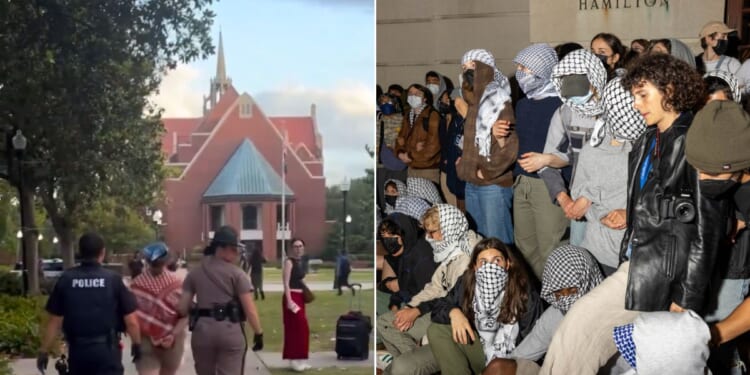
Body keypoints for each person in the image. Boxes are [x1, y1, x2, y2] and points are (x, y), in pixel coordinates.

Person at [539, 53, 726, 375]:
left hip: (670, 274)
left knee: (590, 334)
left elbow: (707, 229)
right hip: (637, 263)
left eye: (643, 95)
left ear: (668, 90)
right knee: (576, 335)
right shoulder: (645, 141)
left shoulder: (694, 141)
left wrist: (687, 297)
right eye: (633, 96)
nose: (636, 105)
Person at [427, 238, 543, 375]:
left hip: (515, 358)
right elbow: (439, 306)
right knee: (437, 329)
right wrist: (454, 312)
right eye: (483, 262)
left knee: (498, 366)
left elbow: (535, 339)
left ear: (508, 264)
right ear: (475, 267)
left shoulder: (524, 290)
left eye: (496, 260)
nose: (490, 267)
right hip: (481, 350)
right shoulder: (467, 282)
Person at [37, 232, 142, 375]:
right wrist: (137, 344)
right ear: (102, 252)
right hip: (107, 351)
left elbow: (54, 321)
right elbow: (131, 321)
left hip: (78, 352)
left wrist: (44, 350)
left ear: (80, 252)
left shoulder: (66, 279)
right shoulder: (113, 280)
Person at [511, 43, 567, 279]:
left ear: (544, 70)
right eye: (519, 67)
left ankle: (554, 306)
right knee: (525, 250)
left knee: (551, 250)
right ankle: (532, 304)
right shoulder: (523, 104)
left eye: (526, 67)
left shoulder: (563, 105)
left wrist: (546, 160)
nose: (520, 73)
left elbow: (574, 153)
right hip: (521, 182)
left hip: (548, 185)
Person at [178, 225, 264, 375]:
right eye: (234, 248)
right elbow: (249, 309)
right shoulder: (237, 274)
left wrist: (198, 307)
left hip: (202, 331)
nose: (236, 253)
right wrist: (258, 333)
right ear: (222, 248)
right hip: (230, 330)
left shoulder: (195, 273)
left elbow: (182, 308)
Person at [457, 48, 518, 245]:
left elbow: (509, 147)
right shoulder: (474, 102)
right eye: (464, 67)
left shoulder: (498, 100)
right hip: (472, 182)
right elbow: (470, 142)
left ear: (484, 68)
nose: (467, 71)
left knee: (498, 243)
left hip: (493, 184)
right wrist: (464, 165)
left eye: (472, 66)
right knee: (479, 242)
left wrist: (488, 172)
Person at [130, 242, 186, 375]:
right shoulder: (178, 283)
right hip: (155, 340)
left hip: (163, 340)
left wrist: (172, 335)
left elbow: (131, 317)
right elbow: (186, 315)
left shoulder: (135, 285)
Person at [282, 238, 313, 371]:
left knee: (303, 329)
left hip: (300, 297)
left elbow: (300, 279)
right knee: (295, 328)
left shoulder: (301, 262)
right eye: (295, 246)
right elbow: (286, 283)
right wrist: (289, 301)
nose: (298, 248)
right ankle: (293, 359)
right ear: (292, 248)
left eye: (300, 246)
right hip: (292, 297)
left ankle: (301, 358)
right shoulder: (289, 262)